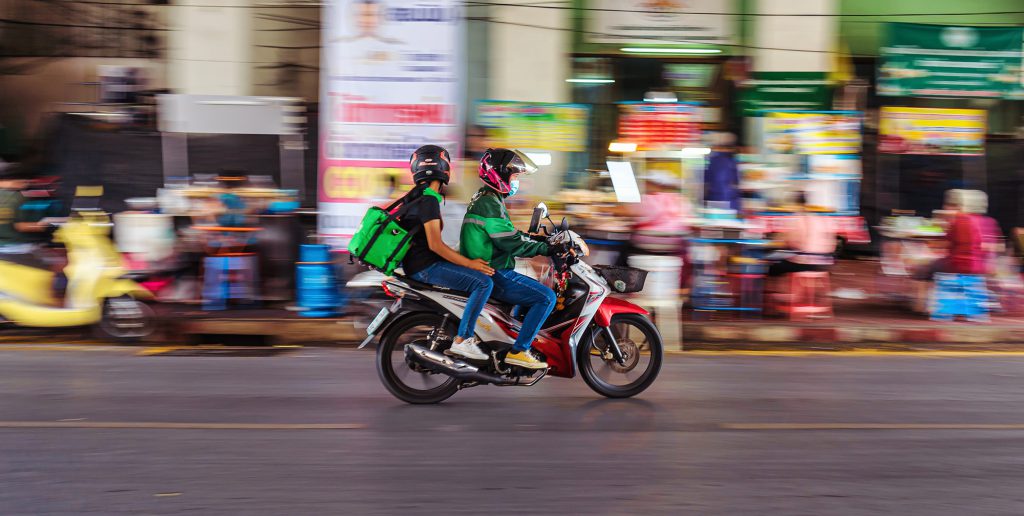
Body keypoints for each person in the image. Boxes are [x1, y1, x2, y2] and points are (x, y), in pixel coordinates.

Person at [460, 148, 562, 370]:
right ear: (499, 174)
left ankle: (509, 338)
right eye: (514, 176)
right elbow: (510, 243)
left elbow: (507, 233)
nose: (517, 182)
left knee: (530, 286)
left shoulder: (487, 197)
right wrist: (545, 248)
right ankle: (520, 350)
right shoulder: (489, 203)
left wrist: (535, 237)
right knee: (546, 297)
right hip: (494, 271)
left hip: (491, 266)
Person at [397, 145, 495, 361]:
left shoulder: (415, 196)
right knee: (482, 283)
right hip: (425, 267)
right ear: (444, 169)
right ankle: (463, 340)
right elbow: (435, 245)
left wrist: (465, 258)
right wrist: (471, 264)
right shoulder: (429, 200)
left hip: (418, 264)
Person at [767, 192, 837, 277]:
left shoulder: (797, 219)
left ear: (795, 204)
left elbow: (792, 242)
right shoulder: (820, 218)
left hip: (806, 264)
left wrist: (778, 239)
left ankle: (760, 288)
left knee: (771, 266)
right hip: (825, 263)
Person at [704, 132, 741, 212]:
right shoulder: (732, 161)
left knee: (716, 221)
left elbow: (705, 181)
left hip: (714, 199)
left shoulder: (711, 160)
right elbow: (737, 182)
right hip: (731, 201)